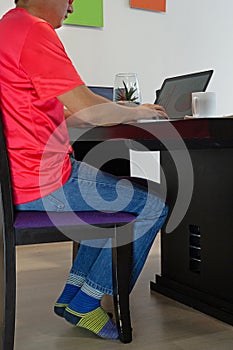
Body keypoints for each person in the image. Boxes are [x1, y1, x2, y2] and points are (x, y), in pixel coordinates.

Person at [0, 0, 168, 341]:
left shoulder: (9, 27)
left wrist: (120, 111)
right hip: (41, 180)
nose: (72, 8)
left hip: (23, 175)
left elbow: (54, 113)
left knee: (121, 193)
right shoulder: (34, 30)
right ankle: (90, 298)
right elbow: (88, 109)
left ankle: (74, 296)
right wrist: (136, 112)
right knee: (151, 205)